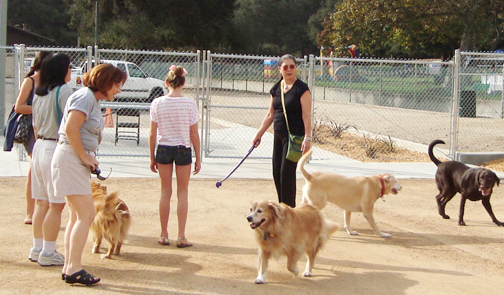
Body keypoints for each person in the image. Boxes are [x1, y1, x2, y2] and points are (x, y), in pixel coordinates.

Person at [52, 63, 127, 285]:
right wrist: (84, 156)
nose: (118, 90)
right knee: (85, 216)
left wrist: (87, 158)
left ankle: (69, 267)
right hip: (71, 160)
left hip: (74, 162)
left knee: (76, 216)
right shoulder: (85, 97)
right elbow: (71, 128)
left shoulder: (90, 99)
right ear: (104, 82)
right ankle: (74, 268)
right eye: (117, 85)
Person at [149, 65, 201, 248]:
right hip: (183, 148)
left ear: (167, 82)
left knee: (165, 191)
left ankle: (163, 234)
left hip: (163, 147)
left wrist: (151, 157)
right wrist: (198, 157)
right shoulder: (190, 104)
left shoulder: (157, 103)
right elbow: (194, 133)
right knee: (182, 192)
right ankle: (181, 235)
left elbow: (152, 133)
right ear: (183, 83)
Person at [29, 53, 72, 267]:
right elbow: (70, 121)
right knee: (56, 205)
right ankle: (48, 250)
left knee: (41, 203)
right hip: (55, 146)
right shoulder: (63, 91)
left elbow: (35, 125)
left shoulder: (39, 92)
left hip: (39, 146)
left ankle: (37, 247)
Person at [253, 54, 312, 208]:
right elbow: (270, 114)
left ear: (296, 68)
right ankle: (282, 207)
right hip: (278, 137)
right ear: (280, 69)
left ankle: (289, 211)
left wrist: (307, 138)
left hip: (294, 138)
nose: (289, 69)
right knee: (276, 173)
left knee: (287, 175)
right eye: (285, 67)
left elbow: (306, 116)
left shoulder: (302, 89)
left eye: (292, 66)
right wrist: (259, 133)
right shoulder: (276, 88)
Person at [14, 51, 52, 224]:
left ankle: (42, 209)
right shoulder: (29, 81)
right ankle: (30, 212)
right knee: (34, 167)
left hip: (47, 127)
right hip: (31, 128)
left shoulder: (51, 82)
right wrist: (38, 108)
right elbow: (18, 107)